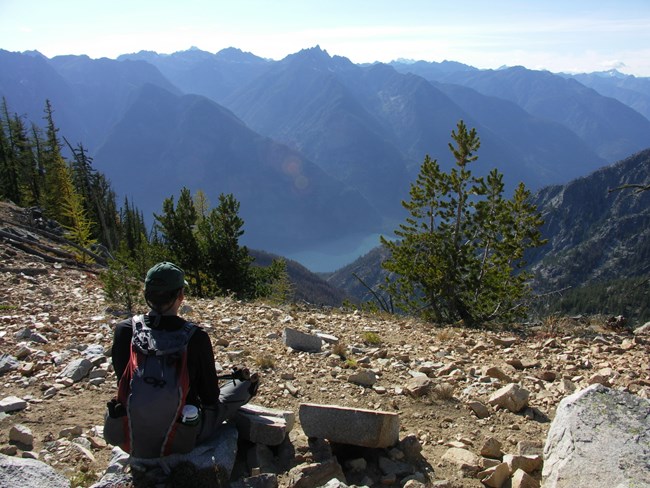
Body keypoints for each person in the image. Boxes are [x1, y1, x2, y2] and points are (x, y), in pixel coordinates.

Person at [106, 261, 258, 459]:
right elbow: (210, 397)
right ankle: (250, 385)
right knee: (244, 385)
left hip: (130, 438)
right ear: (180, 295)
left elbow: (122, 380)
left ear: (146, 294)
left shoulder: (125, 331)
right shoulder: (195, 337)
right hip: (180, 439)